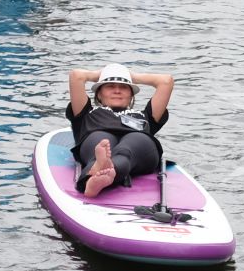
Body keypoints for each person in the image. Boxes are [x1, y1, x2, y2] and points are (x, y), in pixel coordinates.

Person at [65, 64, 174, 197]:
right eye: (110, 86)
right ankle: (98, 172)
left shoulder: (145, 116)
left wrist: (131, 76)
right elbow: (77, 76)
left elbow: (166, 81)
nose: (117, 90)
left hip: (139, 148)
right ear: (99, 94)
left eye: (123, 87)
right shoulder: (87, 113)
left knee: (130, 144)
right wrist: (105, 72)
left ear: (131, 94)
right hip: (97, 138)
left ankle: (107, 169)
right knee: (102, 142)